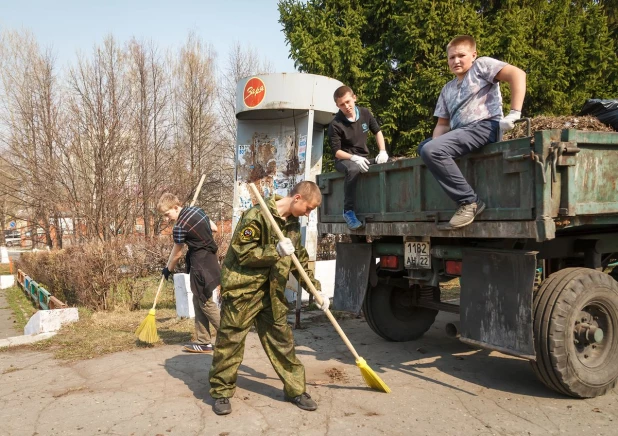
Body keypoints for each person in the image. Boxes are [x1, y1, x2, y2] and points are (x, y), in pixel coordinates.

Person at [209, 181, 330, 416]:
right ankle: (221, 392)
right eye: (308, 208)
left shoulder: (293, 226)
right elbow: (243, 254)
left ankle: (296, 390)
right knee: (230, 343)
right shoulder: (257, 216)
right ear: (297, 198)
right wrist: (274, 250)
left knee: (282, 343)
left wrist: (316, 290)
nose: (308, 214)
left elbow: (300, 262)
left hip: (271, 293)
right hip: (244, 291)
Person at [419, 35, 527, 228]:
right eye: (451, 57)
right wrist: (437, 145)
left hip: (485, 126)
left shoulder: (481, 67)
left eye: (461, 55)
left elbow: (517, 74)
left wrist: (514, 113)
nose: (456, 61)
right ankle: (462, 191)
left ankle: (469, 202)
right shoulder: (447, 89)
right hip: (463, 132)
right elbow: (442, 124)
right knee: (425, 147)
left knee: (431, 150)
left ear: (473, 55)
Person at [157, 193, 221, 353]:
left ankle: (230, 335)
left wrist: (168, 269)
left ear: (176, 207)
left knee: (205, 302)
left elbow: (177, 254)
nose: (166, 219)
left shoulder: (179, 227)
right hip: (211, 259)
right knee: (197, 298)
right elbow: (214, 228)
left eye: (167, 214)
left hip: (200, 265)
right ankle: (203, 341)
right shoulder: (198, 211)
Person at [328, 85, 388, 230]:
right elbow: (337, 152)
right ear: (337, 105)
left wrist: (382, 151)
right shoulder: (335, 124)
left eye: (348, 101)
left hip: (364, 158)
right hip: (344, 160)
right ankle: (348, 212)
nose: (346, 106)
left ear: (354, 98)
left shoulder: (365, 113)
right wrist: (353, 158)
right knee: (354, 169)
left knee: (388, 162)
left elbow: (377, 132)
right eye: (342, 104)